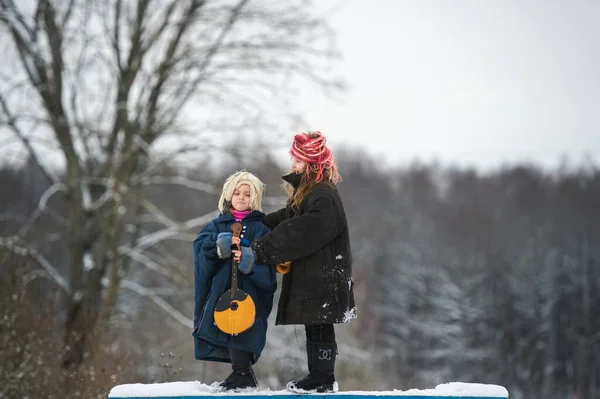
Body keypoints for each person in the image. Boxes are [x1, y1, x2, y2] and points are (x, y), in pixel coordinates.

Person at [249, 131, 357, 393]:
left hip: (324, 274)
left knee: (320, 322)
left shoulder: (323, 195)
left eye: (298, 160)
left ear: (312, 163)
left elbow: (302, 230)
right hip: (316, 273)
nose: (293, 165)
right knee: (315, 322)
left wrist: (261, 247)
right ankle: (319, 377)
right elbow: (288, 217)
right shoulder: (309, 193)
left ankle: (323, 379)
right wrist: (256, 223)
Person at [192, 171, 276, 391]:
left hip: (251, 293)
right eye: (237, 193)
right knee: (226, 323)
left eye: (247, 194)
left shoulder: (261, 229)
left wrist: (249, 259)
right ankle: (242, 373)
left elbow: (269, 269)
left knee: (245, 326)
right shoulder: (215, 226)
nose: (241, 197)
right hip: (221, 291)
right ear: (228, 196)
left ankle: (243, 373)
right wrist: (218, 244)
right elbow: (200, 250)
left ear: (254, 198)